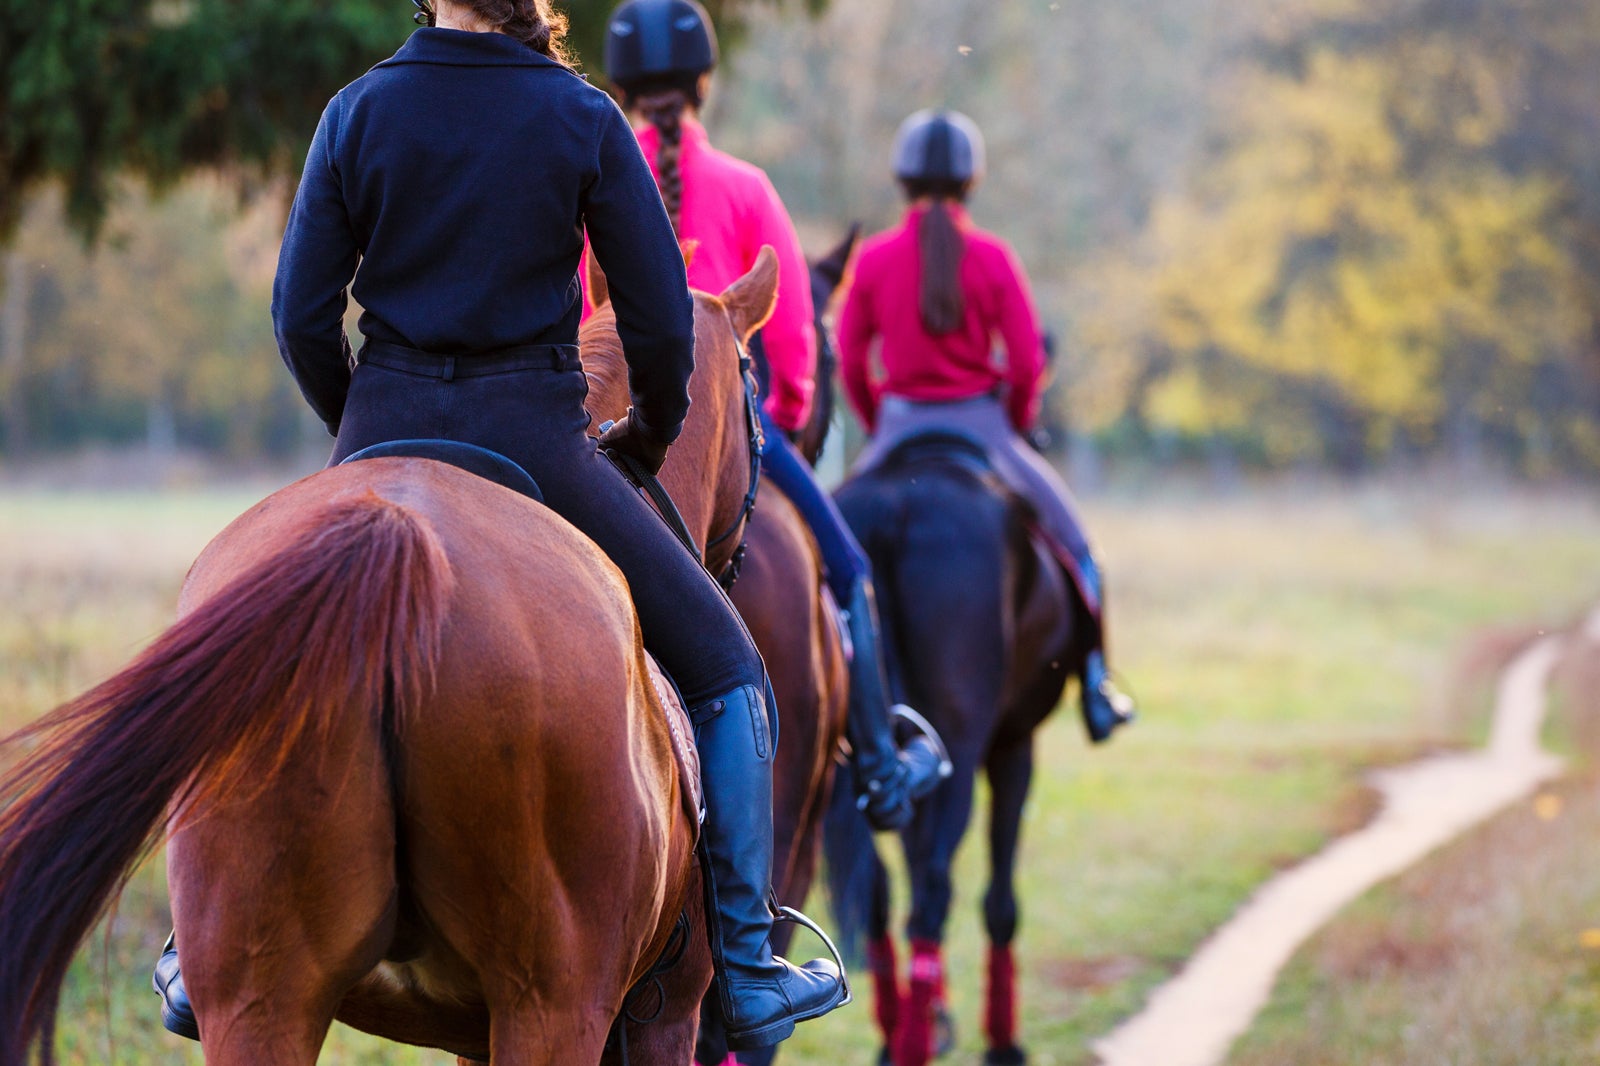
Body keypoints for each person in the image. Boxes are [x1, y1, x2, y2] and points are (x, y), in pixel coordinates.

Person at [148, 0, 846, 1051]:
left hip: (378, 433)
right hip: (539, 446)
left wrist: (365, 429)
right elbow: (661, 329)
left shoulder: (357, 108)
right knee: (730, 671)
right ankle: (745, 963)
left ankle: (196, 940)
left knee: (218, 636)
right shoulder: (579, 116)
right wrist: (645, 443)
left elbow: (300, 316)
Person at [602, 0, 946, 833]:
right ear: (702, 86)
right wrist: (781, 418)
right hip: (732, 414)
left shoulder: (596, 176)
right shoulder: (749, 188)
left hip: (609, 429)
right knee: (848, 568)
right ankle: (880, 764)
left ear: (623, 89)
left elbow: (582, 313)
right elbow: (792, 342)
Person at [837, 109, 1136, 743]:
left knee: (826, 548)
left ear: (902, 180)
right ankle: (1099, 685)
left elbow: (851, 358)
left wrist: (877, 423)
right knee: (1080, 551)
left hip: (896, 427)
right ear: (973, 181)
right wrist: (1014, 427)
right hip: (986, 428)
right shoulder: (995, 258)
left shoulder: (874, 260)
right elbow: (1027, 364)